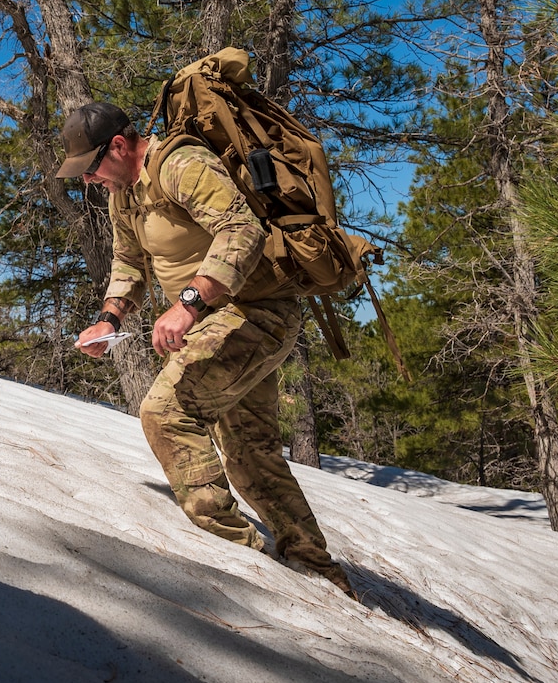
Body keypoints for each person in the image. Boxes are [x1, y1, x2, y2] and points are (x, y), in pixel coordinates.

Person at [64, 102, 353, 596]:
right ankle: (319, 574)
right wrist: (109, 318)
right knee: (249, 453)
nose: (89, 181)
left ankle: (233, 558)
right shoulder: (125, 195)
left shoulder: (181, 164)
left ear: (117, 146)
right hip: (218, 324)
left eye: (90, 169)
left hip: (255, 314)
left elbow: (243, 230)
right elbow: (128, 260)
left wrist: (188, 304)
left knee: (166, 411)